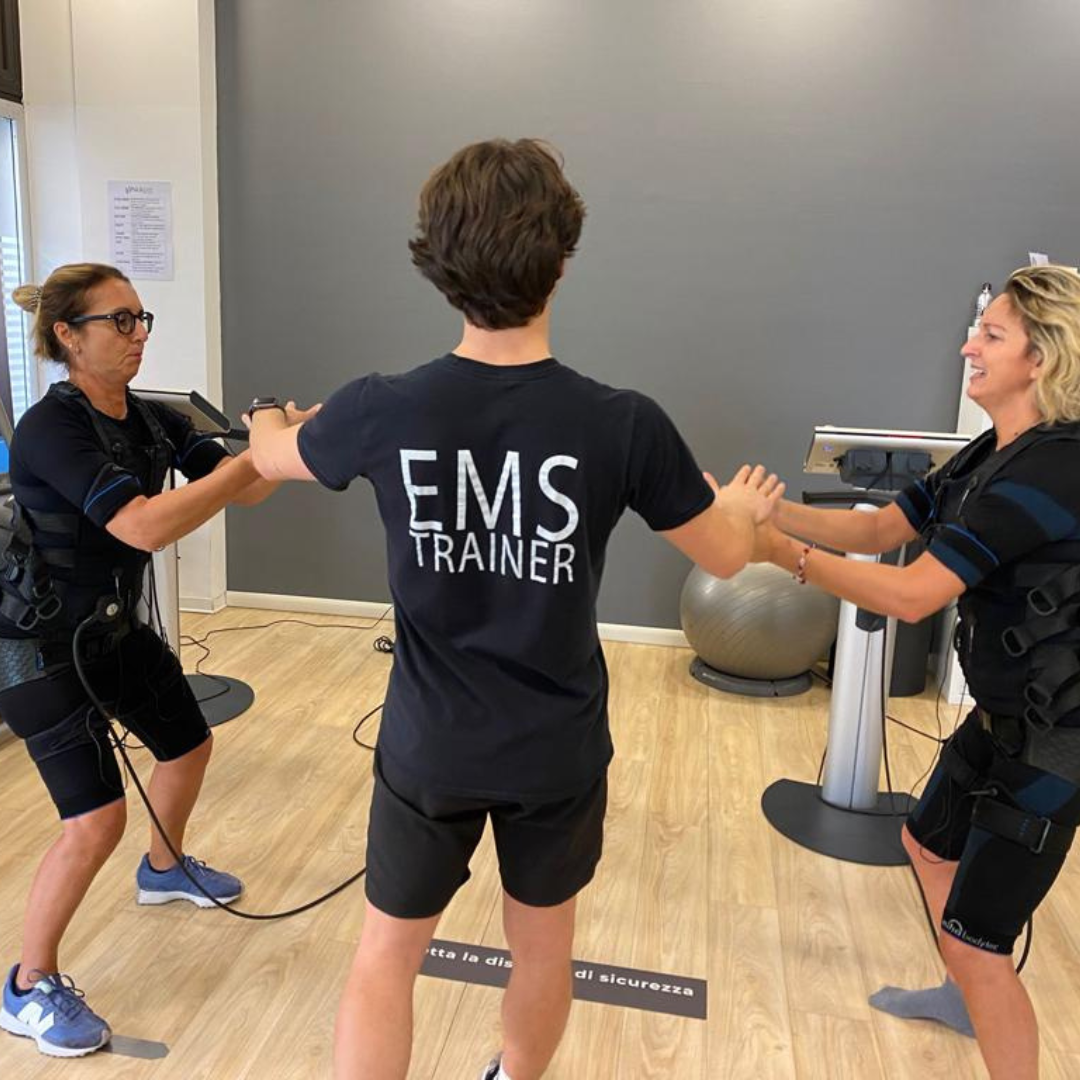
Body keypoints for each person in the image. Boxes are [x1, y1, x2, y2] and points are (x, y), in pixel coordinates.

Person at [245, 138, 782, 1080]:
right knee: (541, 949)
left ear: (437, 263)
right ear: (562, 260)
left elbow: (268, 457)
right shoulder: (622, 422)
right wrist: (741, 503)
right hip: (553, 749)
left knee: (386, 955)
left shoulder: (378, 409)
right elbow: (729, 553)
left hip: (430, 745)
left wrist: (266, 415)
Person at [749, 264, 1080, 1080]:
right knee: (926, 844)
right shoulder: (994, 452)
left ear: (1042, 357)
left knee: (980, 944)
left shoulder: (1054, 470)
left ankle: (977, 990)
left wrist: (780, 554)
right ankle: (962, 997)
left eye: (991, 335)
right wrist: (765, 510)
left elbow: (912, 593)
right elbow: (879, 531)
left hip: (1056, 746)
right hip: (1002, 722)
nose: (969, 347)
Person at [0, 263, 297, 1058]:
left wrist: (282, 446)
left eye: (142, 319)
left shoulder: (152, 420)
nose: (138, 335)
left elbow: (245, 491)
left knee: (188, 745)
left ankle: (163, 868)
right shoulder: (51, 429)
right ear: (69, 335)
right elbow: (143, 526)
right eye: (120, 320)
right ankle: (26, 986)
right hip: (36, 650)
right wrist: (258, 457)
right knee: (95, 819)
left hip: (108, 630)